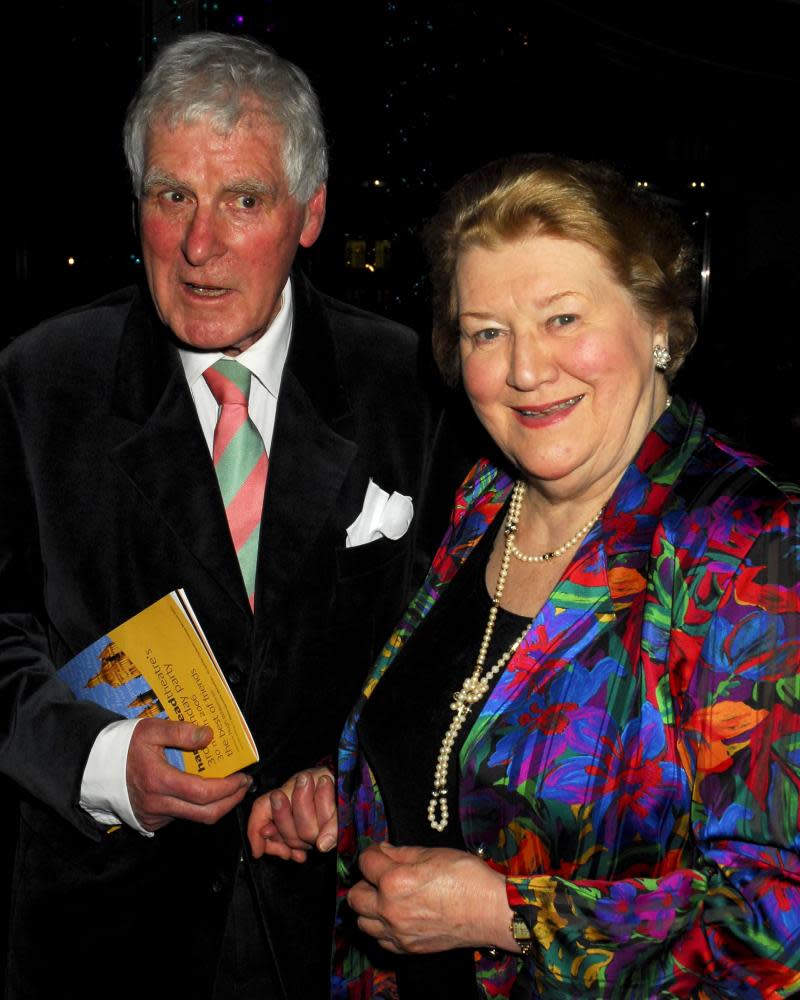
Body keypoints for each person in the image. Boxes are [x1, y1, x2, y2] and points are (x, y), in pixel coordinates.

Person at [248, 154, 800, 998]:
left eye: (562, 317)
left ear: (658, 323)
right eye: (486, 332)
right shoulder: (486, 500)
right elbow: (467, 736)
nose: (526, 371)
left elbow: (776, 927)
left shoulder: (748, 548)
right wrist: (353, 790)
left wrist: (505, 914)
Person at [0, 32, 454, 999]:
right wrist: (101, 757)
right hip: (106, 935)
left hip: (342, 929)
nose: (198, 246)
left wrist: (352, 779)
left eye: (242, 200)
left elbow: (451, 648)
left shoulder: (412, 388)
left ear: (310, 213)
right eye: (172, 196)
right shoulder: (40, 383)